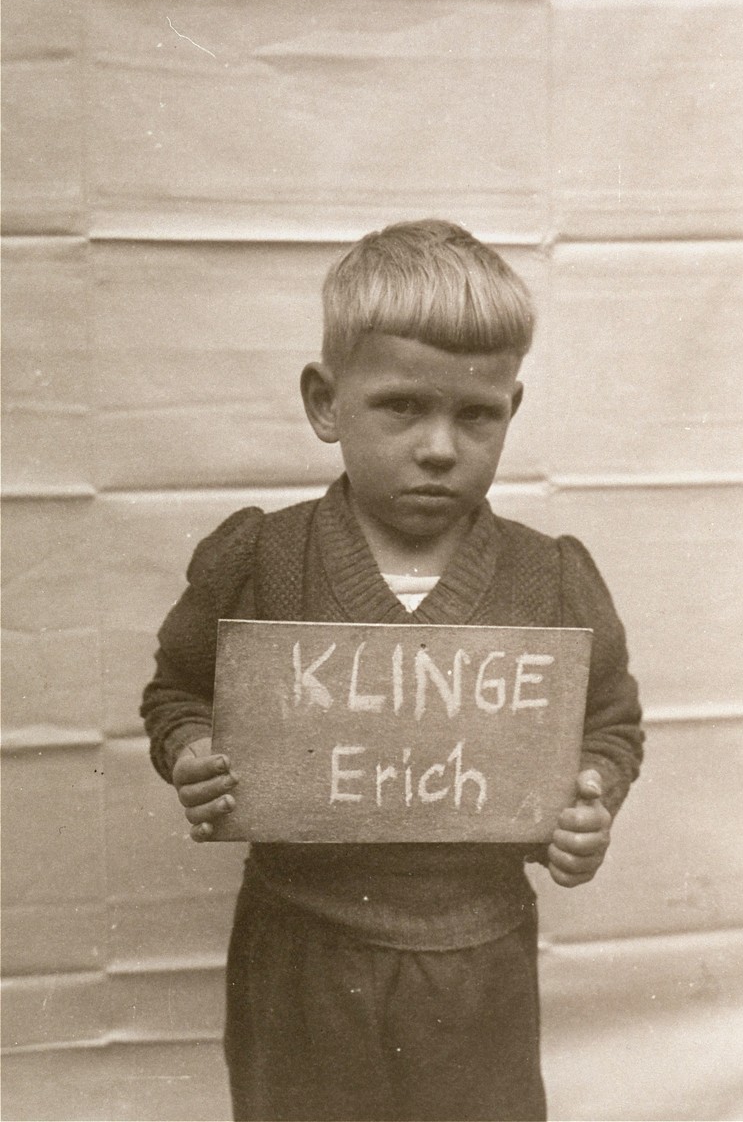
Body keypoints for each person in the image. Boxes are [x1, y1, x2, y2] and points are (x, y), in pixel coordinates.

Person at [141, 219, 644, 1122]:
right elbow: (177, 690)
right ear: (326, 401)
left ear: (511, 411)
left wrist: (589, 794)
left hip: (477, 958)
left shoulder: (552, 578)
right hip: (300, 949)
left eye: (476, 414)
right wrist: (192, 749)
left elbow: (607, 720)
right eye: (403, 406)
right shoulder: (259, 558)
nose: (441, 446)